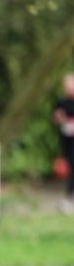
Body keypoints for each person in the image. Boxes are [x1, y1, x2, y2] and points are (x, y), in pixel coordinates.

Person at [52, 73, 74, 213]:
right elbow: (56, 117)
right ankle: (68, 199)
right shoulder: (61, 101)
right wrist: (59, 118)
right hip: (67, 140)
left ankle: (68, 198)